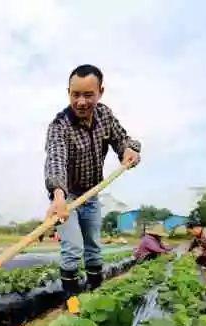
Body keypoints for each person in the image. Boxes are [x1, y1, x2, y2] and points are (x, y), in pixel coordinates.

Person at [44, 64, 141, 293]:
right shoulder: (59, 126)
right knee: (72, 249)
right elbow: (56, 159)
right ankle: (72, 301)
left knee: (94, 249)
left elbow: (122, 140)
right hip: (67, 197)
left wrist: (129, 150)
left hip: (92, 195)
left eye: (88, 95)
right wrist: (58, 195)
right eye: (75, 94)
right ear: (68, 92)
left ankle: (95, 295)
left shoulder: (104, 115)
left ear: (100, 92)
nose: (81, 102)